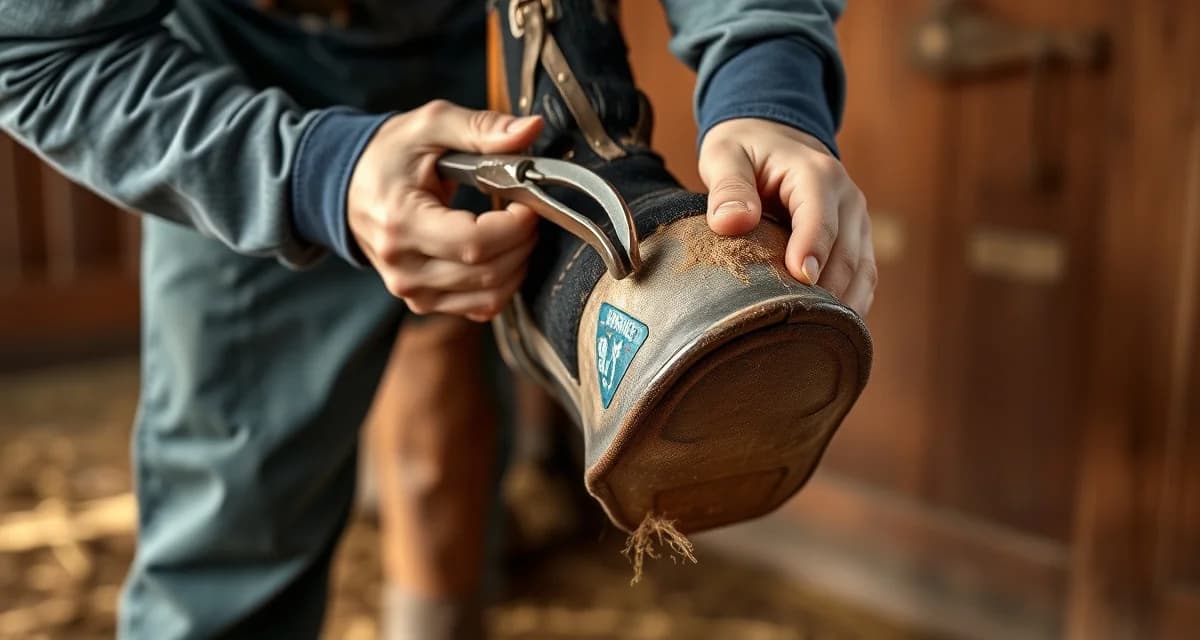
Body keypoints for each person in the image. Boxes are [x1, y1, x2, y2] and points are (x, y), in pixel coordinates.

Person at [0, 0, 876, 638]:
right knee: (234, 506)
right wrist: (316, 178)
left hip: (508, 45)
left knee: (447, 448)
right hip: (252, 72)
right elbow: (29, 49)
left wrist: (768, 82)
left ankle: (594, 289)